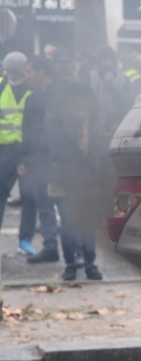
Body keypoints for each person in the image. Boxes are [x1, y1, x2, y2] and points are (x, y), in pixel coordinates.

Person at [45, 78, 104, 281]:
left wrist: (86, 128)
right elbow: (60, 152)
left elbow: (96, 153)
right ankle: (70, 264)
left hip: (87, 183)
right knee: (68, 226)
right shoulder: (56, 123)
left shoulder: (94, 125)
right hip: (64, 182)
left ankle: (90, 264)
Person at [20, 56, 60, 264]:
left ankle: (78, 253)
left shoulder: (59, 95)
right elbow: (27, 131)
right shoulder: (32, 98)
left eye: (30, 71)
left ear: (42, 72)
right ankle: (51, 247)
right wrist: (24, 158)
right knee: (43, 203)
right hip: (38, 159)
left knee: (65, 204)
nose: (27, 76)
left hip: (59, 159)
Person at [0, 52, 31, 252]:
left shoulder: (32, 88)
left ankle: (24, 240)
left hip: (27, 149)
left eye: (12, 70)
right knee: (1, 194)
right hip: (5, 149)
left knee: (29, 197)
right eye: (6, 69)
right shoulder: (2, 84)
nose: (8, 73)